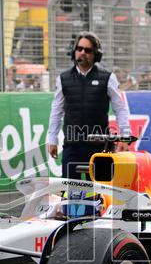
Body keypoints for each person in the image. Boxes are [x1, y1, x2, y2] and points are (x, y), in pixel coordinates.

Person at [46, 31, 131, 179]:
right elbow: (56, 110)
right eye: (79, 49)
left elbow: (120, 108)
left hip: (100, 147)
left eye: (88, 50)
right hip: (72, 146)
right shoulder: (63, 79)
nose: (82, 53)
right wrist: (52, 139)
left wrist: (125, 136)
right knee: (70, 189)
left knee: (101, 190)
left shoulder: (108, 78)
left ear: (96, 54)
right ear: (74, 51)